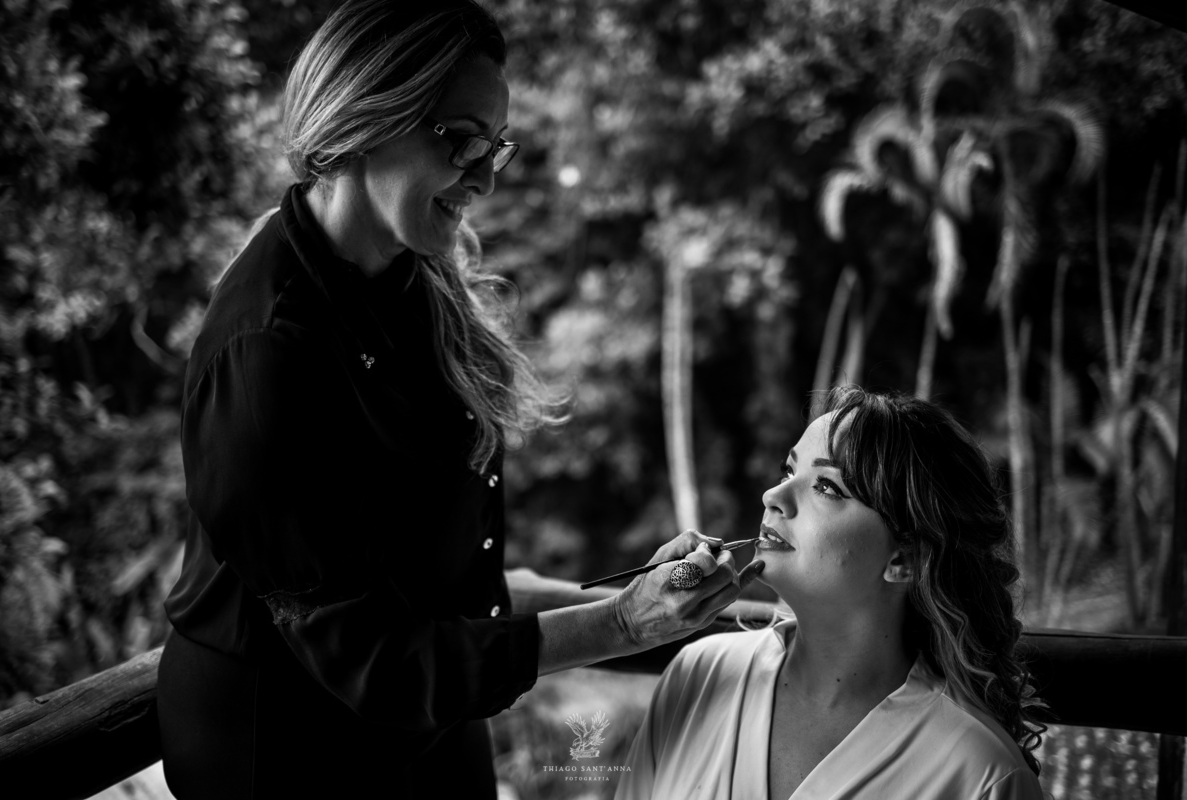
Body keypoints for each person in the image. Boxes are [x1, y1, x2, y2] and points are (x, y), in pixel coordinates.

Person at [155, 2, 763, 797]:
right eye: (462, 139)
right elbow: (371, 656)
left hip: (429, 711)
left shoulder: (405, 272)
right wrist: (621, 622)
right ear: (365, 118)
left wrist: (660, 601)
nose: (485, 177)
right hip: (289, 748)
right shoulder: (265, 352)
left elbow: (431, 570)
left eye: (496, 145)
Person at [616, 387, 1046, 800]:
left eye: (826, 487)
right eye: (789, 471)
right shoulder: (698, 674)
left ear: (905, 559)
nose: (772, 496)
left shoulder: (983, 776)